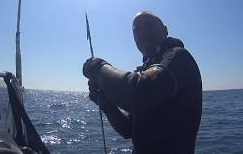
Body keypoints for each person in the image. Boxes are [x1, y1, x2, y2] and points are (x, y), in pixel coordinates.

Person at [82, 11, 202, 154]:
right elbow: (128, 129)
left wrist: (98, 67)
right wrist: (106, 102)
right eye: (136, 29)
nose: (142, 31)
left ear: (165, 30)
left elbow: (140, 91)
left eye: (148, 25)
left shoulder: (178, 56)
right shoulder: (148, 69)